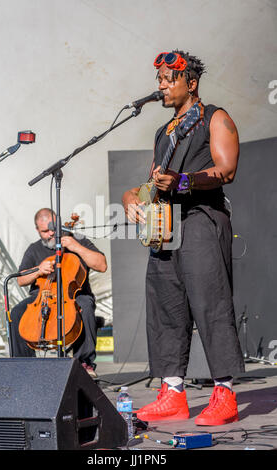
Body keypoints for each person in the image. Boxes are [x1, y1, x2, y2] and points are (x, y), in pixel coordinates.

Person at [122, 49, 245, 425]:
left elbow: (226, 171)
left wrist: (185, 180)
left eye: (167, 79)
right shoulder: (163, 132)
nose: (160, 85)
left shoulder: (214, 118)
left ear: (190, 83)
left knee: (210, 304)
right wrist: (131, 197)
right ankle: (173, 392)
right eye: (158, 79)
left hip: (202, 218)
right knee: (165, 306)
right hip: (166, 225)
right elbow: (155, 181)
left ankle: (224, 394)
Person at [10, 208, 107, 377]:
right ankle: (22, 366)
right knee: (17, 312)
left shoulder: (77, 240)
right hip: (42, 297)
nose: (50, 234)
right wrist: (38, 271)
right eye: (45, 231)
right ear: (37, 230)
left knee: (85, 305)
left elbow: (101, 265)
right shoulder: (34, 249)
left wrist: (75, 246)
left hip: (75, 295)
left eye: (53, 229)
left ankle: (84, 363)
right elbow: (21, 280)